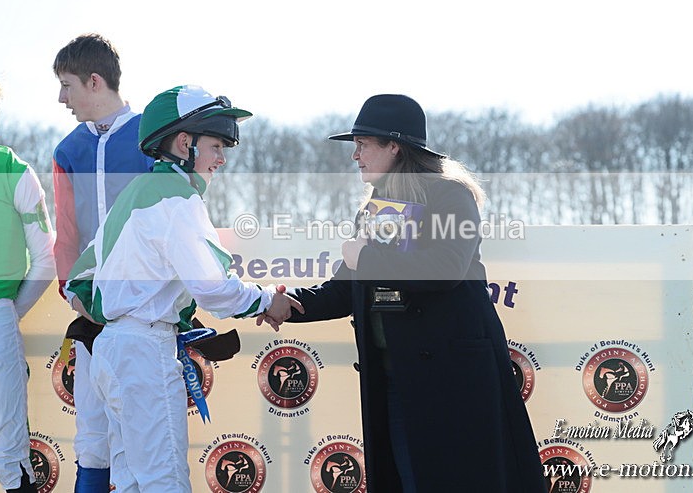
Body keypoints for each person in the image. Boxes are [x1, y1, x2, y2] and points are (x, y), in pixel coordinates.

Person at [275, 94, 546, 492]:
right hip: (396, 379)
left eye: (363, 144)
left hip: (453, 381)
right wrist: (284, 305)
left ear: (394, 146)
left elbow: (445, 270)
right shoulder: (374, 207)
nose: (355, 156)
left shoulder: (450, 194)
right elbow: (341, 290)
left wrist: (365, 256)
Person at [65, 85, 302, 492]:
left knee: (132, 483)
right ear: (184, 142)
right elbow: (212, 288)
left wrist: (119, 312)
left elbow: (77, 282)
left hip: (112, 353)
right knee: (165, 482)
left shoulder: (134, 195)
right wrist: (266, 300)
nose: (222, 159)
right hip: (145, 353)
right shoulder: (179, 200)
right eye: (217, 145)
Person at [51, 33, 154, 492]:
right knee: (92, 441)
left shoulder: (153, 137)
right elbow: (67, 235)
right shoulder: (67, 150)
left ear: (95, 82)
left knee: (141, 445)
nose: (61, 98)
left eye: (67, 85)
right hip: (91, 317)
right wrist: (76, 296)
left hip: (144, 318)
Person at [0, 68, 56, 492]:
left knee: (12, 457)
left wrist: (7, 311)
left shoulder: (14, 169)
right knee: (11, 453)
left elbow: (47, 259)